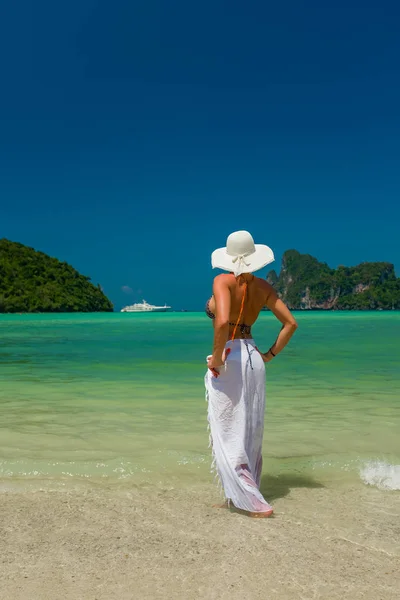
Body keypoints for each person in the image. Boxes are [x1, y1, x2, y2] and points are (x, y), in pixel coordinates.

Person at [205, 230, 298, 517]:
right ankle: (240, 495)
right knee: (250, 429)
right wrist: (268, 355)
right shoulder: (263, 287)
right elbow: (291, 324)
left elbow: (222, 323)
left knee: (228, 429)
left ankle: (254, 503)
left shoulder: (223, 281)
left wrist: (217, 359)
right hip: (253, 356)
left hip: (230, 356)